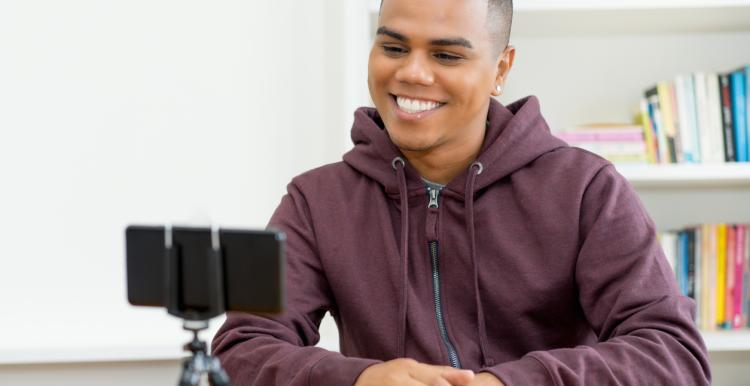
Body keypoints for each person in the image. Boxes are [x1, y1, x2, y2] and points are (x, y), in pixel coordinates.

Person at [212, 0, 711, 385]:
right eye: (393, 47)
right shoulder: (315, 201)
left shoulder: (586, 189)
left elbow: (672, 353)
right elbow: (242, 349)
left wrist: (507, 382)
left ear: (500, 69)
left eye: (446, 54)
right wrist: (359, 378)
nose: (412, 73)